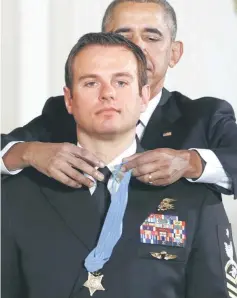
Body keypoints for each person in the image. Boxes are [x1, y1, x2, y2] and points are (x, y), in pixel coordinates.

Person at [2, 32, 237, 298]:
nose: (107, 94)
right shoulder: (17, 194)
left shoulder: (197, 197)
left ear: (144, 96)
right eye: (91, 83)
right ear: (69, 99)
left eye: (122, 82)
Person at [1, 0, 237, 198]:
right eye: (122, 37)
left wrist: (191, 163)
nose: (137, 47)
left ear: (174, 53)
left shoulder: (204, 116)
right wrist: (28, 153)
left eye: (152, 38)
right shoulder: (67, 111)